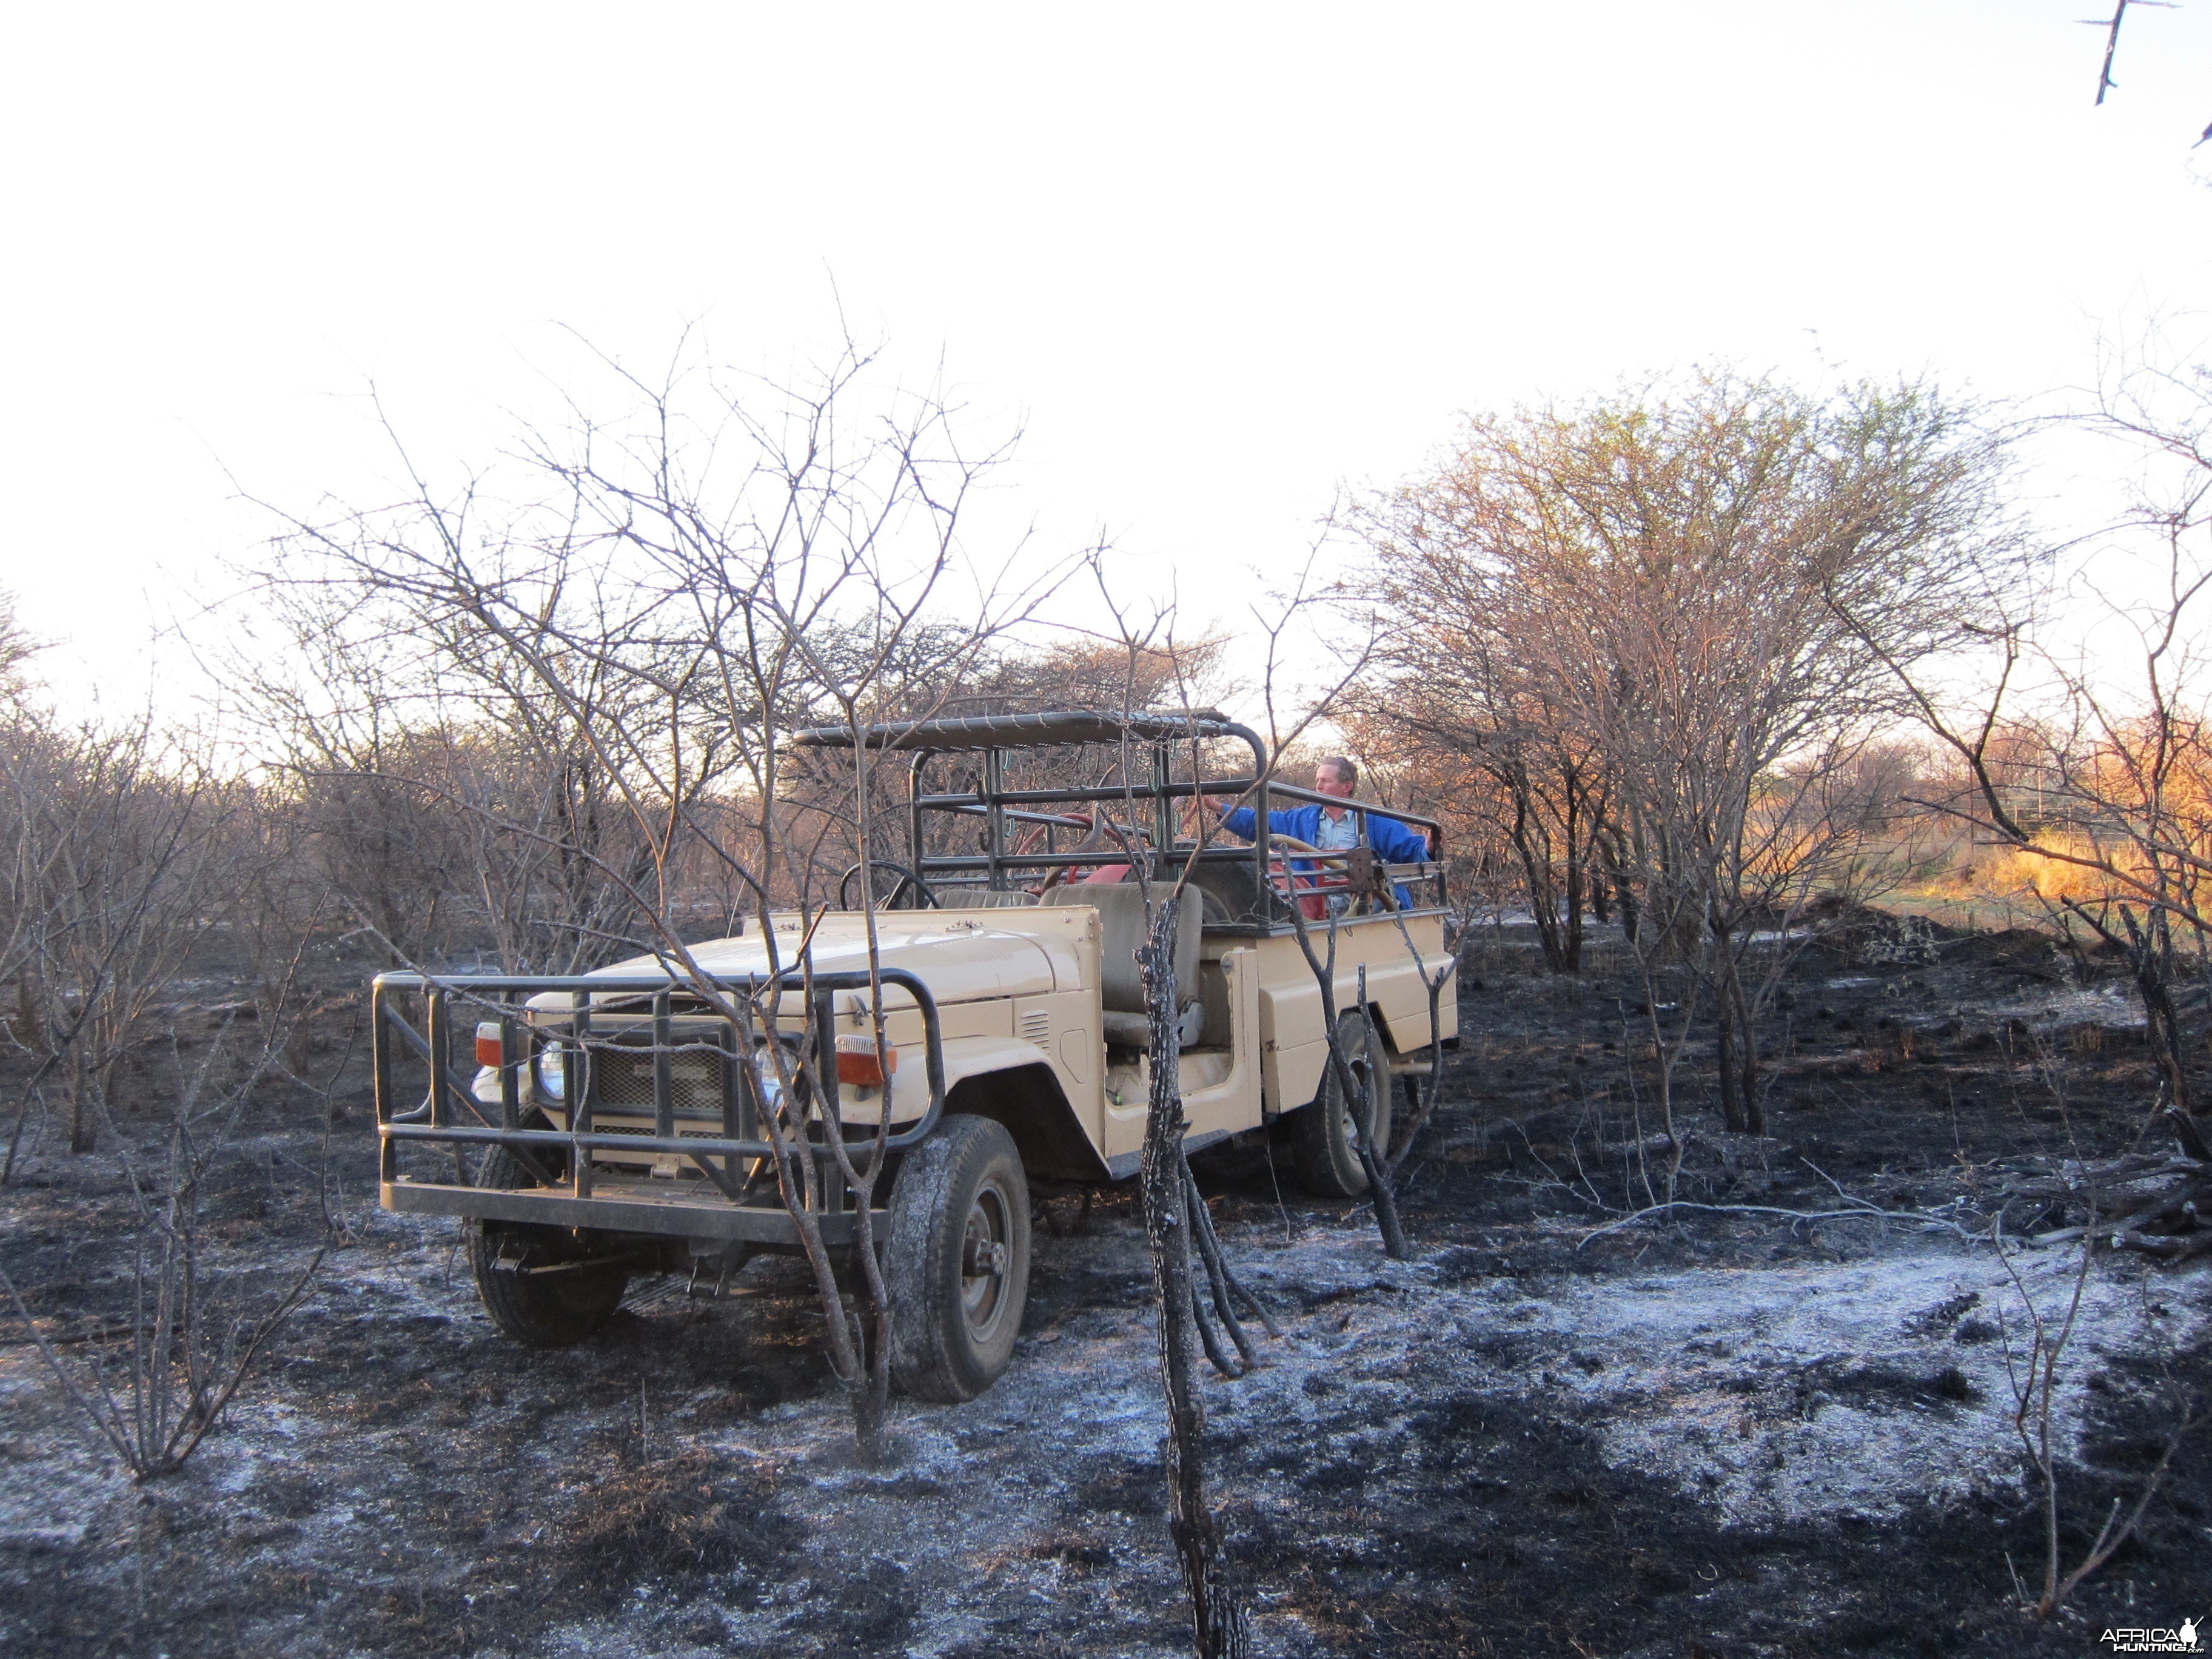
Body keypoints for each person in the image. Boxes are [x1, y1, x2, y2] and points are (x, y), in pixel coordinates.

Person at [1208, 756, 1430, 913]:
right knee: (1265, 902)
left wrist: (1428, 847)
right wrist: (1219, 808)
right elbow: (1258, 823)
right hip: (1314, 899)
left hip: (1361, 900)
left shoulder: (1374, 821)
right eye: (1317, 780)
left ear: (1347, 786)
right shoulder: (1302, 818)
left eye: (1326, 781)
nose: (1318, 786)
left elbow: (1411, 849)